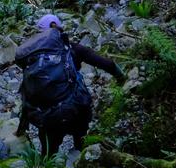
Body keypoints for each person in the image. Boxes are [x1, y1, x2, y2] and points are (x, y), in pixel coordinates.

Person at [14, 13, 126, 155]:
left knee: (48, 155)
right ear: (59, 28)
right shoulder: (74, 49)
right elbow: (107, 64)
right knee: (81, 145)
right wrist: (121, 78)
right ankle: (82, 158)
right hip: (75, 111)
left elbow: (29, 92)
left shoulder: (32, 58)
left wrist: (21, 128)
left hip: (47, 117)